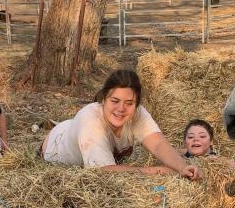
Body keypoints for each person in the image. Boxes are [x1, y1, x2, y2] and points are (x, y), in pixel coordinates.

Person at [41, 69, 201, 180]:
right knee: (80, 127)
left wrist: (182, 167)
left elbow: (158, 143)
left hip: (75, 129)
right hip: (54, 146)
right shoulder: (90, 121)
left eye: (129, 103)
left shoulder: (137, 113)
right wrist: (157, 171)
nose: (121, 109)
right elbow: (104, 172)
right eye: (115, 101)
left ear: (137, 104)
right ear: (103, 99)